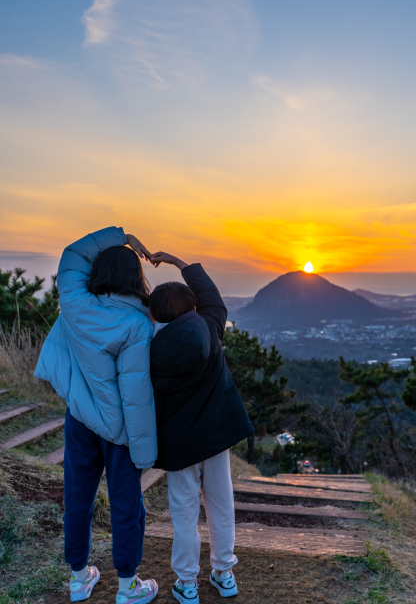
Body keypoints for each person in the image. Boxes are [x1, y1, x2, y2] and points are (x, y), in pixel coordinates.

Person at [35, 227, 159, 604]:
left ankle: (78, 580)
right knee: (126, 504)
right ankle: (127, 587)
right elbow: (136, 396)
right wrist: (144, 454)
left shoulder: (75, 303)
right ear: (135, 279)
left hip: (79, 419)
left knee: (77, 495)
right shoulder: (138, 324)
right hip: (118, 430)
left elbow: (72, 256)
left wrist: (120, 235)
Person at [148, 251, 254, 604]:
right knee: (221, 507)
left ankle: (187, 584)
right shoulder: (209, 327)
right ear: (192, 310)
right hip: (215, 439)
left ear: (154, 314)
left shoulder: (148, 350)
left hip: (179, 447)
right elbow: (213, 298)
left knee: (184, 515)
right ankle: (224, 574)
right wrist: (181, 263)